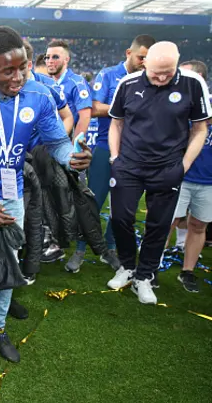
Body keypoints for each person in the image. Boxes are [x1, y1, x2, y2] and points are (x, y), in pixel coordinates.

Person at [0, 26, 92, 376]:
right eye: (7, 70)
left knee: (10, 262)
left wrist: (71, 157)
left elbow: (57, 143)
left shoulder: (39, 95)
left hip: (11, 194)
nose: (18, 76)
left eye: (22, 67)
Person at [107, 42, 210, 305]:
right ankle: (127, 266)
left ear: (177, 63)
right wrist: (115, 157)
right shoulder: (128, 83)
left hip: (167, 167)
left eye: (168, 72)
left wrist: (184, 165)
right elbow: (116, 123)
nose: (162, 77)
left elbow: (200, 129)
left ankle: (145, 275)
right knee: (120, 217)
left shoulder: (193, 83)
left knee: (159, 225)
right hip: (128, 164)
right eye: (156, 73)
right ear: (145, 63)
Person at [67, 34, 156, 273]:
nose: (144, 62)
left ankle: (110, 248)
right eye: (141, 57)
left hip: (136, 152)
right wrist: (128, 110)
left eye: (149, 58)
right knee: (93, 201)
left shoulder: (152, 78)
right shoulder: (108, 74)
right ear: (129, 53)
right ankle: (81, 249)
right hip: (106, 147)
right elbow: (94, 107)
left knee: (124, 206)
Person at [168, 60, 211, 293]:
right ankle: (149, 268)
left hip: (208, 181)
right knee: (167, 222)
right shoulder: (175, 104)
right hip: (178, 176)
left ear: (200, 79)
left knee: (198, 225)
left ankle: (188, 271)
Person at [45, 40, 92, 136]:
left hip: (65, 143)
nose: (50, 61)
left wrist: (75, 146)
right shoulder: (45, 83)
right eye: (47, 57)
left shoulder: (77, 82)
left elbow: (85, 117)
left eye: (55, 57)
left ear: (66, 59)